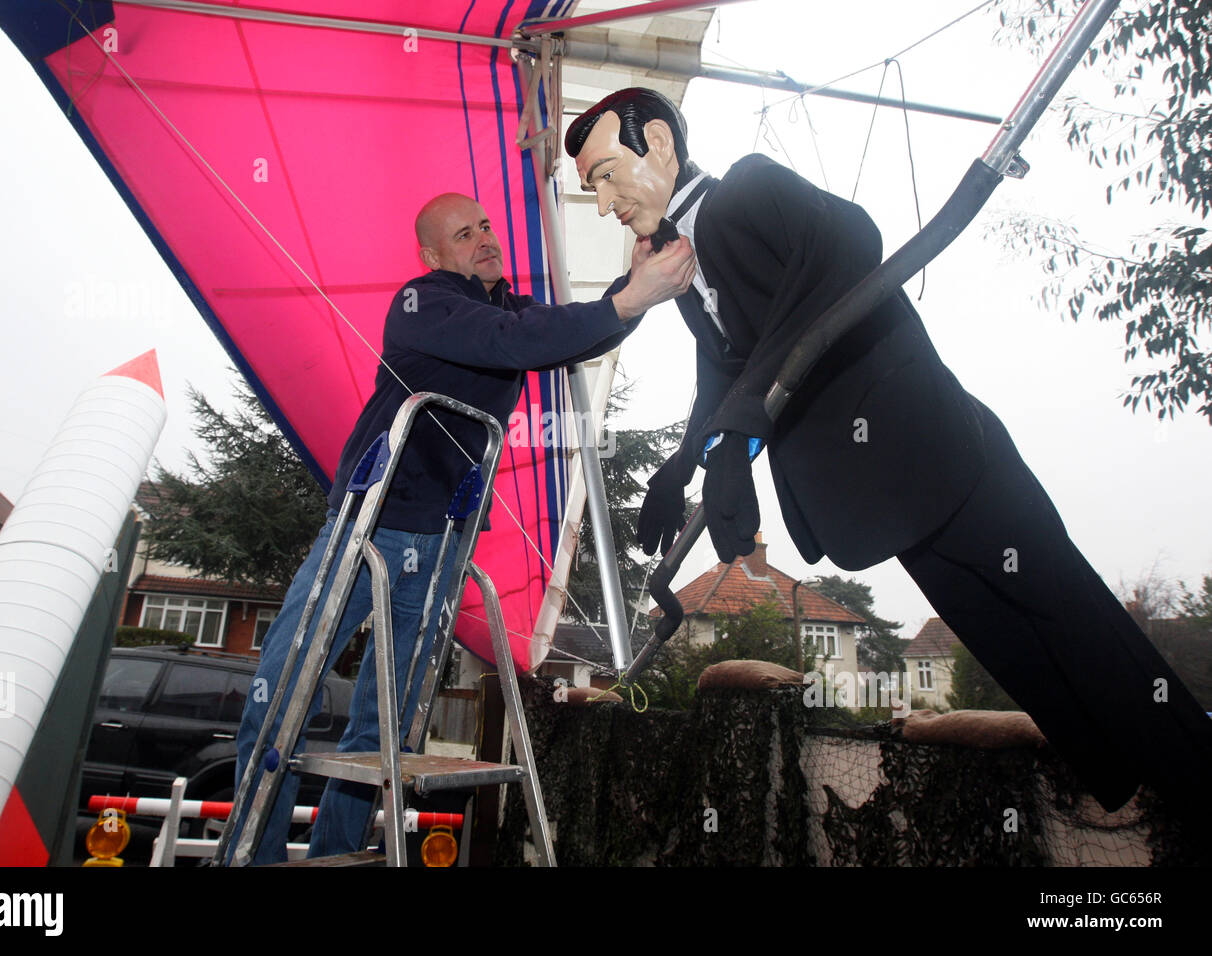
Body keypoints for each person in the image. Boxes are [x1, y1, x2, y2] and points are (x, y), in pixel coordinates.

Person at [566, 88, 1212, 818]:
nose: (604, 202)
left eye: (606, 176)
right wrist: (685, 463)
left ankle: (1194, 774)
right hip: (881, 494)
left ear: (657, 140)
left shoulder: (747, 186)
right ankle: (1129, 792)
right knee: (1007, 642)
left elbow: (849, 246)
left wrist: (741, 428)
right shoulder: (687, 271)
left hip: (941, 453)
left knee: (1067, 611)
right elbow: (724, 371)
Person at [229, 191, 695, 864]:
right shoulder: (422, 304)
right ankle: (252, 858)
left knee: (385, 728)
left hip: (443, 545)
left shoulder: (511, 307)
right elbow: (509, 342)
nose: (483, 238)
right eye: (462, 233)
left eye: (484, 226)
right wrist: (627, 299)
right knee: (278, 702)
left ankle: (335, 853)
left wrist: (635, 281)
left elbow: (566, 331)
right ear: (432, 255)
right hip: (368, 531)